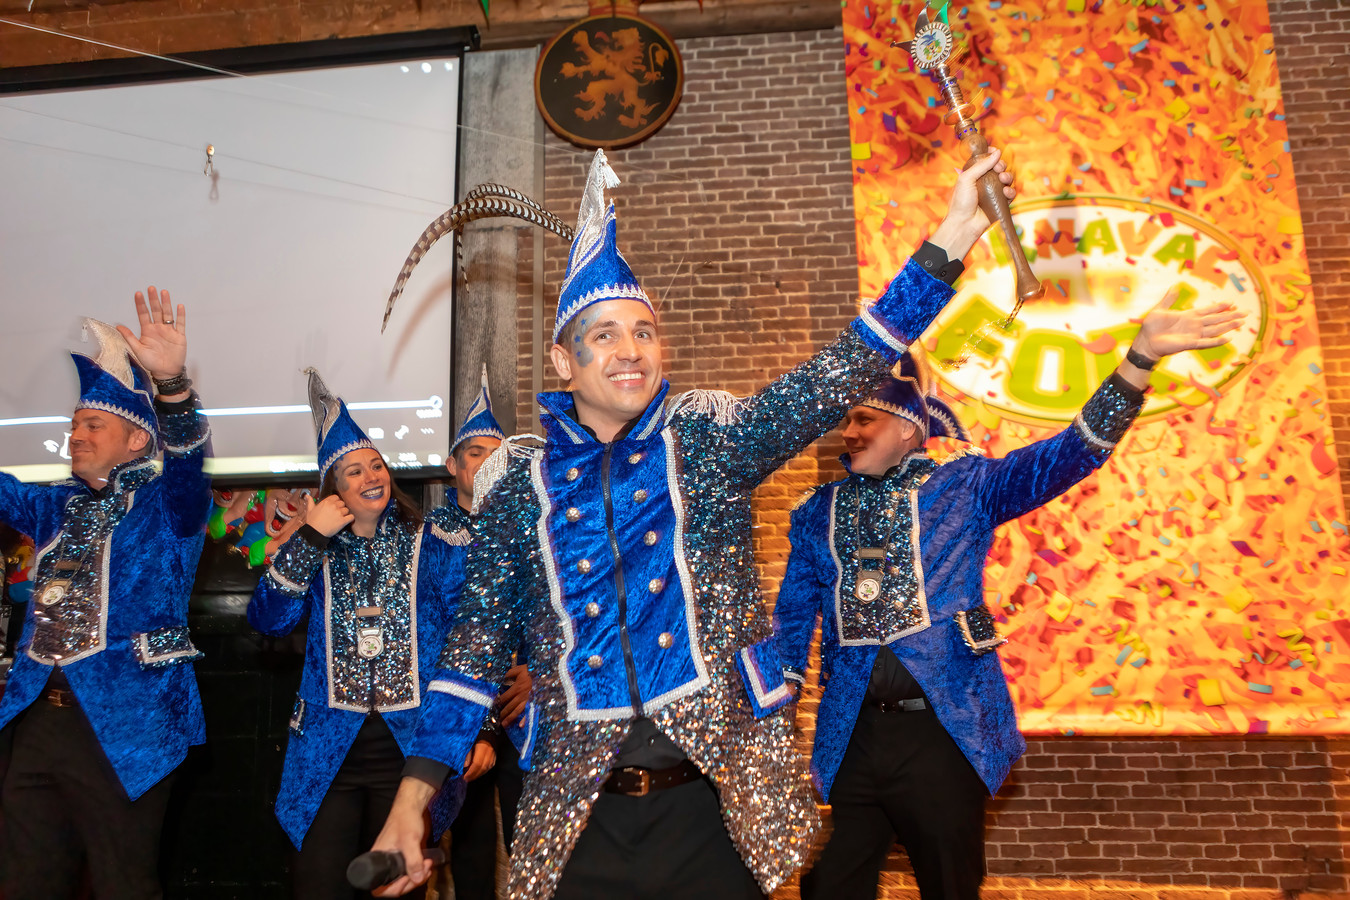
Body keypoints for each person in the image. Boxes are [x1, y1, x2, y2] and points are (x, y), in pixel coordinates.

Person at [368, 146, 1018, 900]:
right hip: (579, 818)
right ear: (562, 361)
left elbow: (833, 374)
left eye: (643, 331)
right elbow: (472, 651)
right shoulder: (521, 495)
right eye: (603, 334)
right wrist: (411, 806)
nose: (629, 350)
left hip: (715, 808)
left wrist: (949, 244)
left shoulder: (707, 448)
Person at [774, 301, 1244, 900]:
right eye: (848, 419)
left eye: (866, 419)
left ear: (909, 429)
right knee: (830, 887)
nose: (850, 431)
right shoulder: (817, 512)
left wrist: (1139, 360)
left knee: (951, 886)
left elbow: (1073, 452)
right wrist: (768, 714)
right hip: (856, 736)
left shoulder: (966, 486)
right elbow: (791, 622)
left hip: (944, 734)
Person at [247, 368, 503, 898]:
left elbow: (474, 638)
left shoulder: (433, 544)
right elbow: (267, 620)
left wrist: (484, 727)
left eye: (376, 465)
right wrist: (309, 539)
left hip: (408, 751)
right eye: (354, 470)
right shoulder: (312, 551)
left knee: (395, 889)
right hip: (326, 751)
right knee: (318, 885)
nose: (372, 475)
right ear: (332, 490)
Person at [0, 287, 211, 900]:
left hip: (129, 725)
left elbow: (190, 464)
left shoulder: (167, 507)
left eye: (92, 424)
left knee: (123, 885)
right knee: (22, 884)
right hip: (39, 717)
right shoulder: (52, 506)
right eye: (73, 425)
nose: (76, 435)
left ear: (138, 439)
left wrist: (172, 388)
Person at [441, 367, 527, 899]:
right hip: (459, 713)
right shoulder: (426, 543)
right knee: (467, 857)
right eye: (475, 452)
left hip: (526, 712)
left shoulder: (535, 536)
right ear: (453, 465)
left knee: (537, 848)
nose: (487, 462)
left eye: (498, 453)